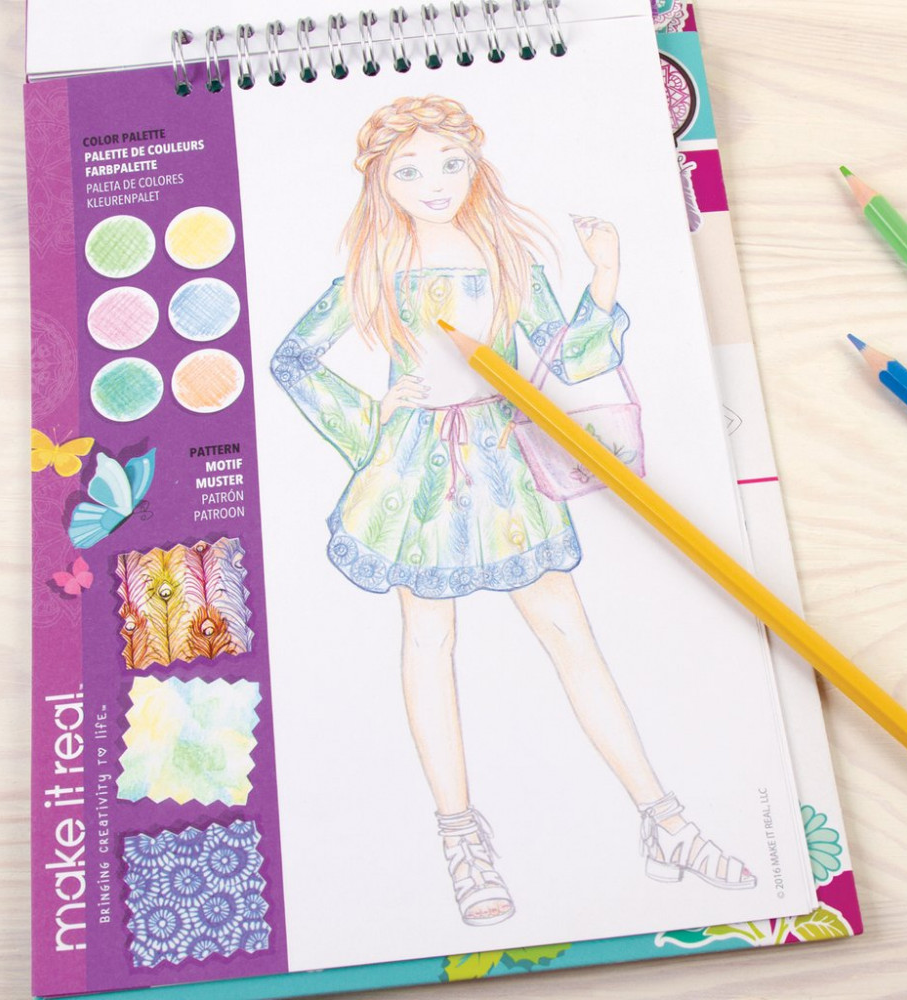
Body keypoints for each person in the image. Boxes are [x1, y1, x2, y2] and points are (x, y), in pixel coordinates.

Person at [271, 95, 755, 927]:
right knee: (429, 640)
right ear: (381, 180)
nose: (434, 183)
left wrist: (605, 277)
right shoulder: (373, 268)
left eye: (451, 163)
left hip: (504, 462)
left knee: (569, 632)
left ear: (477, 164)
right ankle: (462, 841)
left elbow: (568, 359)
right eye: (409, 170)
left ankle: (663, 819)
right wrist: (374, 417)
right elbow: (293, 358)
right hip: (417, 474)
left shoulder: (508, 258)